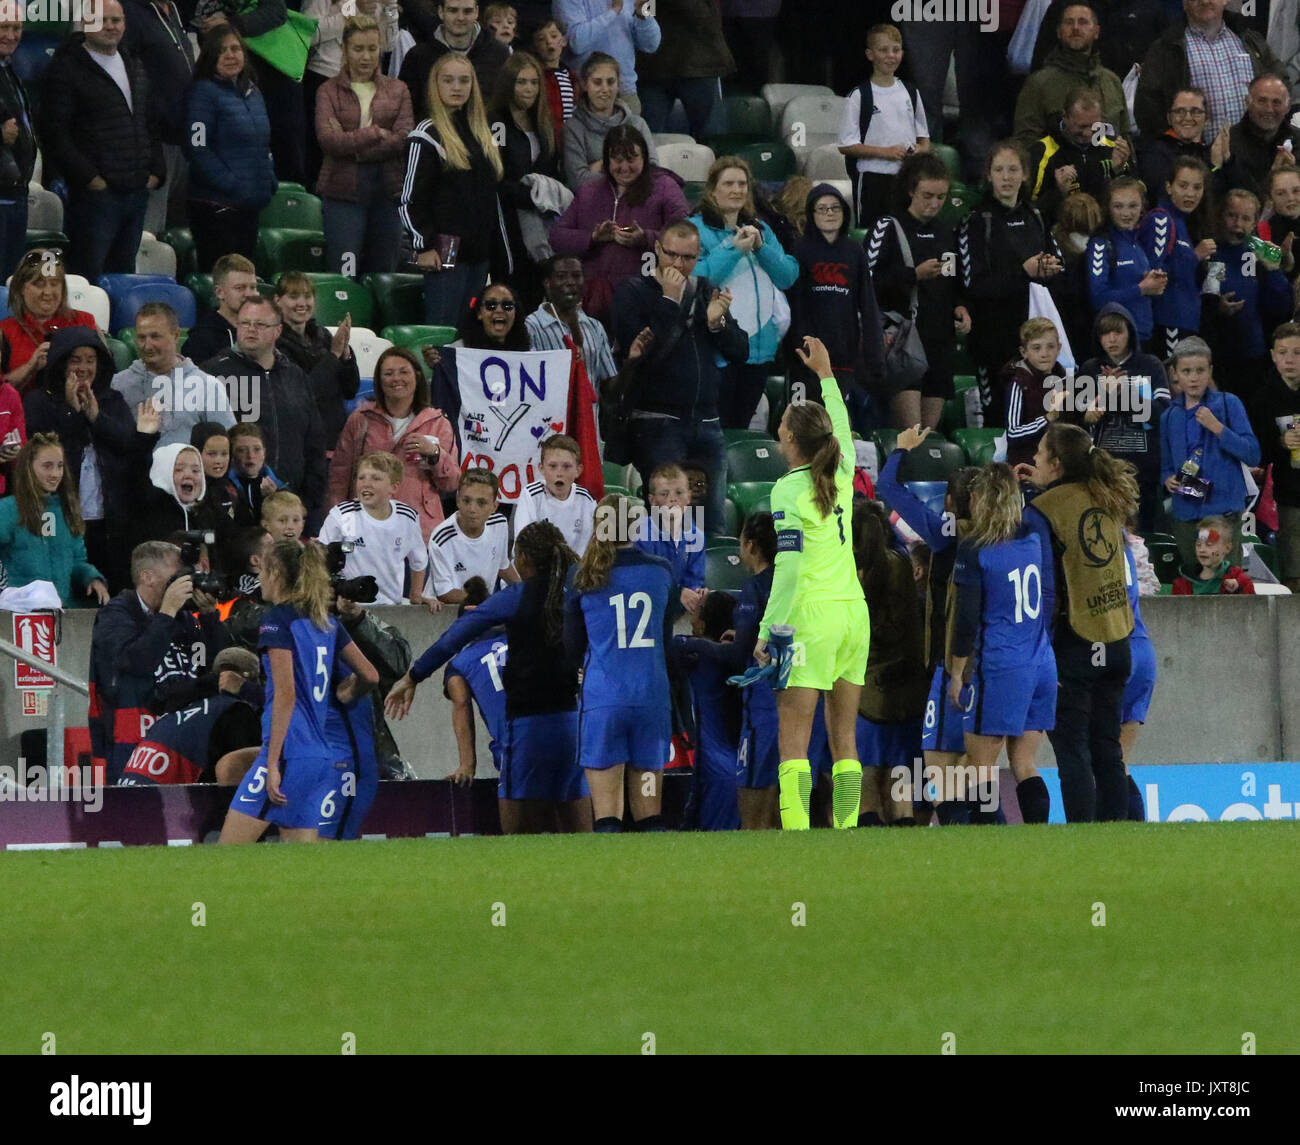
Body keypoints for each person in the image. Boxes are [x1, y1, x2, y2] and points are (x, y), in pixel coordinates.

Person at [388, 520, 592, 834]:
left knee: (520, 839)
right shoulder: (576, 594)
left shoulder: (516, 596)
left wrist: (414, 676)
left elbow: (455, 637)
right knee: (581, 836)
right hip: (571, 723)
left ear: (522, 559)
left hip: (527, 729)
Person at [753, 335, 868, 832]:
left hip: (811, 618)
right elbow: (842, 427)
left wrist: (768, 630)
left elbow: (790, 568)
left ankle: (797, 834)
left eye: (781, 430)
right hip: (853, 615)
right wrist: (826, 376)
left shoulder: (788, 488)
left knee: (793, 733)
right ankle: (846, 832)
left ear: (794, 442)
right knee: (845, 735)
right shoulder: (843, 471)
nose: (778, 437)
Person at [219, 540, 379, 842]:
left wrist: (271, 763)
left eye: (263, 571)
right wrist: (342, 695)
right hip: (319, 758)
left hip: (287, 754)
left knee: (228, 852)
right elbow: (370, 675)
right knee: (300, 866)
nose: (260, 580)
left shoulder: (277, 621)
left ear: (276, 573)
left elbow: (285, 695)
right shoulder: (326, 621)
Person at [1018, 422, 1138, 823]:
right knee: (1108, 747)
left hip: (1074, 641)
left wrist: (1041, 648)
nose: (1034, 459)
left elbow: (1047, 588)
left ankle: (1082, 836)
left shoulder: (1040, 512)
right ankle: (1115, 835)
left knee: (1072, 749)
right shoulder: (1107, 495)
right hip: (1119, 636)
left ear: (1054, 462)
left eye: (1039, 453)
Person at [610, 218, 746, 537]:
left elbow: (741, 351)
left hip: (708, 421)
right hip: (657, 422)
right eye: (671, 255)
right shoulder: (633, 292)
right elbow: (644, 357)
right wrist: (669, 302)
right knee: (667, 521)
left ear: (699, 256)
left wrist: (717, 325)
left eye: (688, 258)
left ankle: (707, 585)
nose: (678, 264)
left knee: (711, 520)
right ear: (657, 249)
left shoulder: (706, 292)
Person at [874, 427, 979, 827]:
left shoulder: (941, 532)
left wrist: (900, 450)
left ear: (950, 501)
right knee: (976, 766)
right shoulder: (1007, 534)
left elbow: (887, 487)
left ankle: (963, 835)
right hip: (992, 662)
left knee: (938, 764)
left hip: (948, 657)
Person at [947, 463, 1056, 825]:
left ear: (977, 499)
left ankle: (987, 845)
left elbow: (965, 619)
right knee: (1024, 762)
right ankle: (1038, 841)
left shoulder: (975, 549)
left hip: (1000, 668)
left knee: (980, 766)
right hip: (1041, 662)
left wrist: (957, 673)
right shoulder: (1033, 538)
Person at [564, 493, 673, 831]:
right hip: (651, 701)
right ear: (636, 525)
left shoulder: (581, 576)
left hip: (604, 702)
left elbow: (571, 647)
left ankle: (608, 882)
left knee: (607, 816)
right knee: (650, 813)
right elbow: (665, 639)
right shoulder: (661, 571)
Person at [40, 0, 164, 282]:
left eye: (116, 20)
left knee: (123, 277)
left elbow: (149, 122)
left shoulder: (134, 64)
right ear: (84, 23)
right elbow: (55, 133)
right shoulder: (66, 68)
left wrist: (156, 171)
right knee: (88, 276)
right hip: (95, 198)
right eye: (102, 20)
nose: (110, 26)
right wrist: (90, 179)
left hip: (136, 192)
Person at [89, 539, 230, 783]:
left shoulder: (184, 618)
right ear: (148, 577)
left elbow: (210, 666)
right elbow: (137, 662)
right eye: (178, 575)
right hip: (132, 740)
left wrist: (209, 617)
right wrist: (166, 613)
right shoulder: (115, 614)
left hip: (180, 739)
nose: (186, 582)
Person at [25, 326, 154, 589]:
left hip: (109, 522)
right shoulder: (39, 402)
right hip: (60, 517)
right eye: (76, 359)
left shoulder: (112, 400)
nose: (84, 368)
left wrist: (95, 417)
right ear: (60, 362)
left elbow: (128, 446)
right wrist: (72, 413)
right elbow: (44, 454)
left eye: (90, 360)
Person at [690, 155, 798, 430]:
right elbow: (699, 276)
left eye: (742, 184)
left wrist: (762, 248)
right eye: (728, 183)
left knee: (739, 430)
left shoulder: (760, 228)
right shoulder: (695, 228)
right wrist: (733, 248)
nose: (737, 190)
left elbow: (787, 276)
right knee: (716, 430)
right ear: (712, 189)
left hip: (759, 350)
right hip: (718, 349)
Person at [960, 141, 1064, 428]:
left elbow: (1057, 262)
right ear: (988, 175)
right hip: (992, 337)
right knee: (999, 416)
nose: (1006, 177)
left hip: (1034, 336)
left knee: (1038, 415)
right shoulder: (977, 220)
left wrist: (1050, 268)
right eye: (999, 170)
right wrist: (1024, 271)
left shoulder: (1036, 216)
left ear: (1025, 175)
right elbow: (973, 285)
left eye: (1013, 169)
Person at [400, 52, 505, 329]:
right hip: (443, 251)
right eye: (448, 80)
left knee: (468, 334)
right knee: (441, 332)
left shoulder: (482, 133)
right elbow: (408, 200)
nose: (457, 87)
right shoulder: (425, 134)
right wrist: (422, 246)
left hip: (479, 253)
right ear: (436, 85)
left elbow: (489, 199)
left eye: (464, 80)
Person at [202, 296, 328, 525]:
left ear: (277, 331)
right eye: (244, 323)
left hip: (291, 508)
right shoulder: (213, 374)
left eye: (260, 325)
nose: (250, 330)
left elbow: (314, 442)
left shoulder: (295, 375)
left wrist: (308, 500)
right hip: (235, 510)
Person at [868, 152, 969, 430]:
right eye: (927, 196)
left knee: (928, 435)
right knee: (909, 434)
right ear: (911, 190)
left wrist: (960, 307)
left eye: (941, 197)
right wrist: (913, 275)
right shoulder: (888, 226)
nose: (934, 204)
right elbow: (867, 281)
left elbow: (952, 279)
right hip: (902, 340)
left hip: (939, 340)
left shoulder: (946, 231)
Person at [549, 123, 689, 322]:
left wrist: (646, 238)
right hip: (591, 301)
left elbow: (685, 233)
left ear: (645, 158)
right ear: (606, 161)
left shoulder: (665, 187)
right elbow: (556, 237)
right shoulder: (589, 191)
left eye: (632, 159)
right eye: (617, 160)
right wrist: (592, 237)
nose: (624, 168)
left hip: (645, 298)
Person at [315, 13, 412, 279]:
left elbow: (403, 138)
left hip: (387, 193)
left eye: (372, 48)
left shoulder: (398, 89)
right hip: (342, 195)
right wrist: (376, 133)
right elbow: (328, 141)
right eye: (358, 49)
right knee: (346, 271)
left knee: (384, 273)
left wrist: (352, 144)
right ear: (345, 50)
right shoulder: (327, 91)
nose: (366, 57)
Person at [328, 347, 460, 542]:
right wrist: (338, 524)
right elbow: (339, 477)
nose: (396, 378)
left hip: (419, 532)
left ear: (417, 376)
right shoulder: (360, 420)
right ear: (379, 381)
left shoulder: (438, 422)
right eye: (388, 374)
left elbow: (451, 483)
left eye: (403, 372)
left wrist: (434, 454)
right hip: (366, 529)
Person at [851, 498, 928, 827]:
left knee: (868, 776)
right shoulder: (901, 564)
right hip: (908, 685)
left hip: (868, 687)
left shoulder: (852, 573)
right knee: (901, 779)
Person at [788, 182, 885, 428]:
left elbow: (868, 304)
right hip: (805, 360)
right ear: (811, 214)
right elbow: (794, 305)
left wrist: (875, 356)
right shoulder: (800, 250)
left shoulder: (855, 251)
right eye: (822, 209)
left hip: (843, 358)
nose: (830, 213)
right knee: (804, 425)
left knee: (837, 425)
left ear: (845, 213)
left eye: (835, 208)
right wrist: (799, 346)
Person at [1159, 336, 1259, 570]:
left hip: (1222, 511)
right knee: (1195, 582)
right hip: (1185, 511)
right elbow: (1165, 463)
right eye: (1186, 371)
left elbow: (1253, 454)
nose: (1193, 377)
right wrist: (1167, 478)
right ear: (1175, 373)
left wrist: (1219, 428)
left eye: (1200, 370)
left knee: (1228, 583)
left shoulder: (1229, 404)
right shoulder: (1168, 416)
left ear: (1210, 371)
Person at [1073, 304, 1171, 537]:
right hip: (1104, 468)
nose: (1112, 339)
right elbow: (1075, 418)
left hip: (1144, 470)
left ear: (1131, 332)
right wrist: (1087, 415)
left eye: (1118, 332)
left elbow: (1163, 413)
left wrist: (1123, 392)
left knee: (1143, 538)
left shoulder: (1150, 365)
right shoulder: (1089, 369)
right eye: (1105, 333)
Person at [184, 23, 276, 268]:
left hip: (249, 206)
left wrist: (269, 178)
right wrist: (232, 185)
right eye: (222, 50)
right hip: (217, 208)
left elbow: (263, 142)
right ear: (210, 56)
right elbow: (198, 149)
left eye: (236, 48)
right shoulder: (202, 93)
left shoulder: (253, 91)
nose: (230, 55)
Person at [1134, 0, 1283, 144]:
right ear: (1184, 3)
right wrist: (1182, 149)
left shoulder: (1250, 40)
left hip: (1254, 155)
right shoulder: (1166, 49)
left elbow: (1282, 82)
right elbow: (1148, 110)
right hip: (1196, 162)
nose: (1205, 1)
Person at [117, 646, 262, 786]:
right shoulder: (235, 712)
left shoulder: (177, 709)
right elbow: (243, 775)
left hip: (127, 799)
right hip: (168, 804)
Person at [487, 50, 562, 310]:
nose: (529, 89)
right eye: (521, 82)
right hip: (504, 217)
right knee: (512, 286)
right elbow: (495, 177)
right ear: (508, 83)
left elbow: (551, 170)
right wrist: (532, 197)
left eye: (534, 82)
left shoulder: (542, 123)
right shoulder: (496, 121)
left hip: (538, 218)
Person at [837, 23, 929, 233]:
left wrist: (918, 152)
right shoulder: (859, 95)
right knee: (871, 234)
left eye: (896, 50)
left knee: (905, 233)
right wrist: (884, 152)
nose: (891, 56)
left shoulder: (910, 92)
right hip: (871, 178)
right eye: (883, 50)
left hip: (905, 178)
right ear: (870, 54)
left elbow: (924, 139)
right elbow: (846, 145)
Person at [1199, 189, 1292, 392]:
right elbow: (1205, 299)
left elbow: (1281, 308)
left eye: (1245, 218)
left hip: (1255, 354)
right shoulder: (1210, 251)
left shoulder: (1261, 250)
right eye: (1232, 216)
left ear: (1254, 222)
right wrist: (1217, 308)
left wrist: (1274, 270)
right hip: (1218, 354)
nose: (1237, 224)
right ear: (1221, 215)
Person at [0, 433, 109, 607]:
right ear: (28, 467)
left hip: (63, 613)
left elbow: (77, 562)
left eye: (59, 466)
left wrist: (91, 578)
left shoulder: (68, 511)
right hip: (19, 615)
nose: (55, 474)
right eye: (47, 466)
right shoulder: (7, 509)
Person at [114, 301, 237, 447]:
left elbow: (226, 444)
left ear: (176, 335)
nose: (147, 345)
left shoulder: (207, 386)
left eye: (155, 337)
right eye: (142, 337)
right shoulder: (119, 385)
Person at [304, 1, 400, 183]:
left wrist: (390, 9)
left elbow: (388, 45)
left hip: (367, 83)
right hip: (325, 76)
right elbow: (307, 34)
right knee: (321, 154)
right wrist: (353, 10)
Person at [317, 450, 429, 606]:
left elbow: (419, 560)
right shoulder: (342, 515)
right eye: (361, 477)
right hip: (350, 606)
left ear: (394, 487)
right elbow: (319, 556)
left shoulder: (407, 517)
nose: (366, 483)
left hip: (391, 608)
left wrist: (416, 596)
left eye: (376, 478)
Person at [124, 0, 197, 237]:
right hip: (155, 139)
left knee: (174, 232)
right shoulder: (130, 11)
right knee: (149, 232)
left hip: (182, 139)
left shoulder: (173, 10)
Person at [1013, 3, 1130, 149]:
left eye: (1083, 22)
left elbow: (1125, 139)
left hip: (1110, 170)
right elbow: (1025, 144)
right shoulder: (1038, 84)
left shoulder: (1112, 82)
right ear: (1059, 32)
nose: (1075, 28)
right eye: (1069, 22)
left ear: (1096, 31)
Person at [672, 588, 742, 831]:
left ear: (703, 623)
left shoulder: (696, 655)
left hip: (717, 775)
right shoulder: (740, 656)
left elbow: (665, 643)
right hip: (730, 769)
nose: (691, 618)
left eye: (697, 611)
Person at [273, 271, 360, 450]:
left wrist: (345, 355)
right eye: (293, 296)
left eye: (307, 296)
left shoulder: (323, 335)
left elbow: (351, 389)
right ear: (277, 300)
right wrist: (333, 355)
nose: (302, 303)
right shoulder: (274, 344)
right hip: (302, 442)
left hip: (335, 440)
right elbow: (304, 394)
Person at [1028, 87, 1135, 228]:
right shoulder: (1042, 152)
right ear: (1065, 117)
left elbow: (1136, 195)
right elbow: (1030, 213)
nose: (1088, 133)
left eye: (1094, 126)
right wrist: (1058, 192)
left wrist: (1119, 171)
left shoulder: (1114, 146)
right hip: (1060, 232)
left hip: (1106, 233)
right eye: (1081, 126)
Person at [1140, 155, 1214, 356]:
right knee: (1172, 384)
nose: (1190, 194)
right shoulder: (1161, 220)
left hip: (1188, 320)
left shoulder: (1190, 222)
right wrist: (1195, 255)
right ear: (1168, 186)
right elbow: (1154, 275)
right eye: (1183, 185)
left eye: (1197, 187)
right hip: (1168, 320)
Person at [1, 250, 99, 394]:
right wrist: (30, 367)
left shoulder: (84, 322)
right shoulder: (5, 331)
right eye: (39, 284)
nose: (48, 292)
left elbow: (102, 378)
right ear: (21, 288)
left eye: (54, 284)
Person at [399, 0, 511, 122]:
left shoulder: (499, 53)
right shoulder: (417, 56)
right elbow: (408, 112)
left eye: (467, 11)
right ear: (441, 12)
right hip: (434, 137)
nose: (460, 18)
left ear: (476, 12)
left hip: (487, 136)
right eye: (453, 10)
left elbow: (506, 105)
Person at [1086, 176, 1163, 349]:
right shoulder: (1100, 244)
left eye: (1133, 206)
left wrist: (1153, 283)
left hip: (1145, 337)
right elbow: (1097, 298)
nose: (1126, 213)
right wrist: (1141, 289)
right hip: (1117, 345)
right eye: (1118, 206)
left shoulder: (1139, 242)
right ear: (1108, 208)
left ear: (1143, 206)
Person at [636, 0, 731, 141]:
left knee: (711, 140)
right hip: (653, 68)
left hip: (699, 65)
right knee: (649, 139)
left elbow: (704, 18)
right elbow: (644, 14)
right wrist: (644, 11)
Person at [524, 254, 617, 394]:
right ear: (547, 283)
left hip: (590, 415)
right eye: (561, 276)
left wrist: (633, 361)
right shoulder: (531, 327)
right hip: (552, 415)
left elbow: (609, 388)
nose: (570, 282)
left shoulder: (595, 327)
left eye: (576, 276)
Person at [423, 467, 516, 604]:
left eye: (481, 503)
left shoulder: (500, 525)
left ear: (494, 506)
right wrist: (488, 603)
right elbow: (445, 593)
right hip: (441, 613)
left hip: (481, 609)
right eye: (467, 500)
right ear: (458, 500)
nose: (472, 509)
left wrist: (524, 591)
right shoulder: (441, 537)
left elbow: (502, 566)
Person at [561, 52, 652, 190]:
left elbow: (653, 171)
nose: (605, 89)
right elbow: (578, 182)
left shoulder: (637, 124)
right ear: (585, 85)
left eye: (611, 82)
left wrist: (603, 165)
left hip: (637, 202)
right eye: (597, 82)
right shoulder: (572, 128)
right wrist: (630, 168)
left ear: (618, 84)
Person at [1256, 322, 1300, 592]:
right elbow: (1255, 452)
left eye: (1297, 352)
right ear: (1273, 355)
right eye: (1283, 352)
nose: (1289, 359)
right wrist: (1279, 442)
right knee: (1294, 574)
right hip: (1287, 499)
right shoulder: (1263, 398)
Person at [557, 0, 659, 114]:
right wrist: (612, 12)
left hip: (626, 92)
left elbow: (652, 45)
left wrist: (644, 15)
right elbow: (576, 43)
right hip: (586, 93)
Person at [130, 441, 226, 551]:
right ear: (162, 474)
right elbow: (136, 472)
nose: (189, 475)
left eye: (195, 470)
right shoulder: (148, 508)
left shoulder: (207, 513)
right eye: (179, 469)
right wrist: (145, 437)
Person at [1119, 528, 1155, 820]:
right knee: (1119, 760)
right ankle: (1135, 834)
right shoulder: (1132, 545)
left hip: (1115, 651)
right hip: (1142, 648)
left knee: (1102, 759)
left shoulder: (1089, 545)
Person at [511, 433, 595, 556]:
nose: (559, 473)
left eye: (566, 466)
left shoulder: (586, 499)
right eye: (552, 466)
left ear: (578, 470)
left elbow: (594, 545)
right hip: (537, 569)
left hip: (573, 571)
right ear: (541, 468)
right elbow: (522, 547)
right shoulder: (531, 496)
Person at [0, 11, 37, 283]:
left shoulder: (9, 68)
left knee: (10, 281)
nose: (11, 35)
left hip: (15, 190)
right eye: (3, 27)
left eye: (16, 27)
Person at [1004, 317, 1068, 469]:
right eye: (1036, 348)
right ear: (1024, 352)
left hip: (1059, 467)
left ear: (1059, 348)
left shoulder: (1066, 381)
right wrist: (1047, 418)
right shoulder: (1018, 383)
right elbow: (1013, 433)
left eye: (1050, 347)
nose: (1044, 354)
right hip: (1027, 467)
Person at [1136, 87, 1217, 201]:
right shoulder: (1155, 154)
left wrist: (1218, 165)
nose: (1188, 118)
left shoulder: (1211, 152)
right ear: (1169, 118)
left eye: (1195, 112)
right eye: (1180, 111)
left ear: (1207, 119)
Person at [182, 253, 260, 365]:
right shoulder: (201, 339)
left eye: (253, 287)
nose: (249, 294)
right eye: (240, 288)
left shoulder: (264, 331)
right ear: (220, 292)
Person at [1172, 515, 1256, 594]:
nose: (1202, 550)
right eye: (1198, 544)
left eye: (1209, 544)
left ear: (1227, 548)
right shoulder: (1183, 584)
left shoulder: (1237, 578)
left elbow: (1252, 603)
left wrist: (1239, 587)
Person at [227, 422, 284, 528]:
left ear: (264, 453)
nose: (250, 456)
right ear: (231, 454)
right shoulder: (225, 489)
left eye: (257, 449)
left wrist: (273, 499)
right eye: (242, 450)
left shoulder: (281, 486)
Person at [451, 280, 530, 349]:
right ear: (479, 313)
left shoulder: (529, 355)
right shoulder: (458, 350)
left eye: (507, 305)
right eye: (491, 305)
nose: (499, 310)